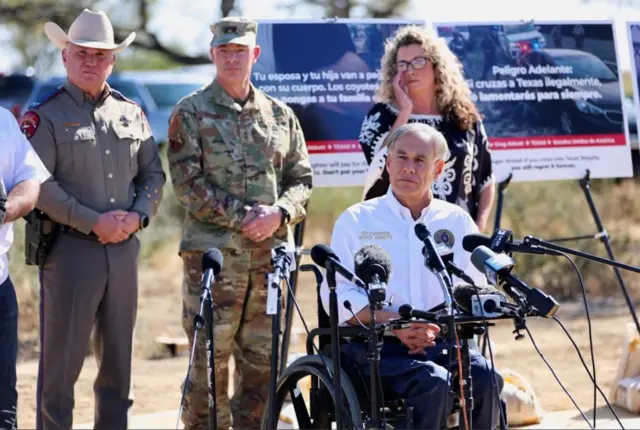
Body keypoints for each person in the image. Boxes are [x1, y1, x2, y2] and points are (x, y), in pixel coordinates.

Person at [21, 9, 166, 430]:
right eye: (81, 53)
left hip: (124, 253)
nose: (91, 62)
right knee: (61, 370)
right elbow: (39, 185)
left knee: (119, 366)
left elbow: (153, 175)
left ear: (112, 62)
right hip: (70, 254)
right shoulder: (44, 116)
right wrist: (92, 221)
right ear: (65, 56)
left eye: (100, 55)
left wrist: (137, 217)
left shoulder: (131, 112)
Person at [167, 16, 313, 430]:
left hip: (269, 261)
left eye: (240, 50)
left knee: (263, 364)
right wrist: (245, 217)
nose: (233, 58)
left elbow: (301, 179)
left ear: (255, 54)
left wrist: (280, 213)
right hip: (215, 260)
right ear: (213, 55)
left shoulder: (280, 115)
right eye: (224, 51)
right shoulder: (191, 112)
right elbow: (187, 184)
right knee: (207, 364)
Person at [322, 123, 504, 430]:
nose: (408, 167)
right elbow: (339, 298)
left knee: (485, 376)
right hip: (375, 348)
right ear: (388, 163)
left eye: (419, 160)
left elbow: (473, 287)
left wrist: (464, 312)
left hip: (442, 341)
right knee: (433, 382)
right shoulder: (357, 220)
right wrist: (395, 323)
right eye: (401, 157)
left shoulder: (456, 221)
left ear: (438, 169)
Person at [358, 25, 496, 232]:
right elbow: (378, 168)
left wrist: (477, 230)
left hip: (457, 236)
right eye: (402, 64)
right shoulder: (381, 117)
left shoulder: (463, 116)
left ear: (437, 67)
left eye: (419, 61)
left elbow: (486, 180)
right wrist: (405, 110)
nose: (410, 69)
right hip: (398, 235)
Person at [0, 106, 50, 430]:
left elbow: (29, 181)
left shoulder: (3, 121)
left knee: (4, 406)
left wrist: (6, 208)